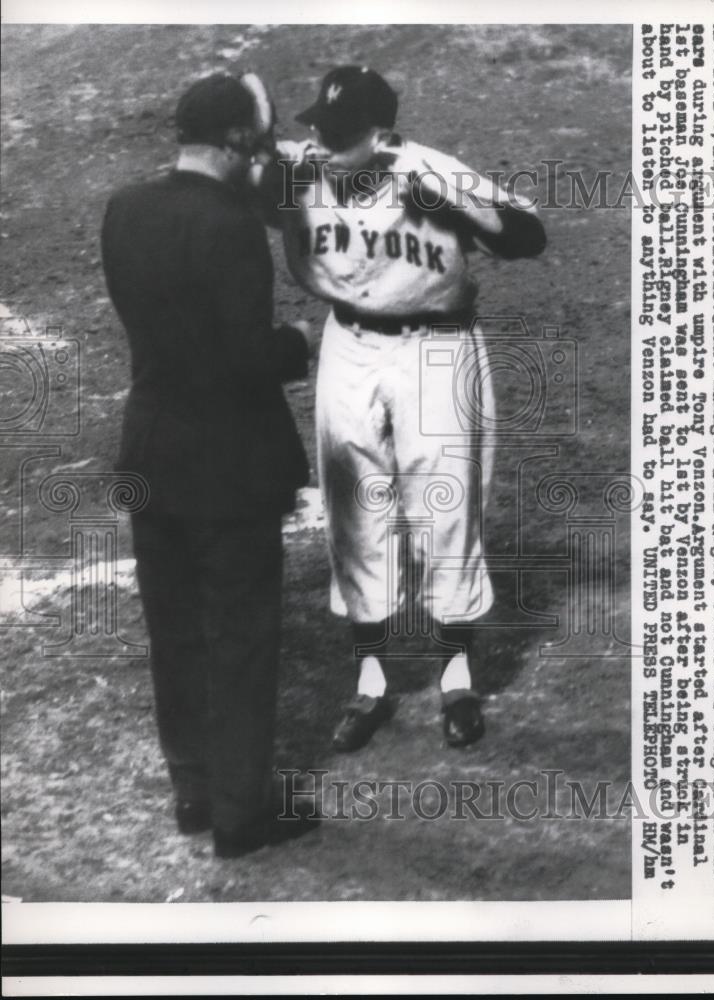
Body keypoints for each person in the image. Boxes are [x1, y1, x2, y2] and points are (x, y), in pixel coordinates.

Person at [250, 65, 546, 752]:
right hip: (349, 345)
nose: (322, 143)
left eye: (341, 134)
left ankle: (456, 678)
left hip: (438, 351)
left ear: (381, 134)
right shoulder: (297, 173)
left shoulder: (429, 173)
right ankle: (373, 683)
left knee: (447, 509)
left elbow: (526, 237)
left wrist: (459, 203)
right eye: (317, 129)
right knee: (355, 512)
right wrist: (260, 134)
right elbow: (233, 179)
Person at [101, 72, 314, 858]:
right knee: (241, 638)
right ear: (236, 143)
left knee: (175, 633)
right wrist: (296, 346)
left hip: (151, 451)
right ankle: (241, 814)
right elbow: (241, 362)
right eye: (258, 138)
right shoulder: (230, 227)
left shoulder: (125, 206)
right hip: (228, 467)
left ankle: (192, 790)